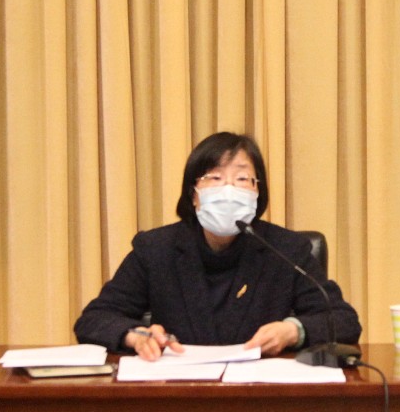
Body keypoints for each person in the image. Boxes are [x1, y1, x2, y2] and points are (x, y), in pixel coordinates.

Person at [74, 132, 362, 359]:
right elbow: (94, 319)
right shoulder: (156, 249)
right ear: (193, 194)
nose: (228, 190)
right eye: (214, 177)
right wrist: (134, 336)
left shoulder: (286, 249)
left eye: (242, 178)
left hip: (261, 396)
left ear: (257, 192)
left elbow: (344, 320)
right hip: (178, 393)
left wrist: (293, 331)